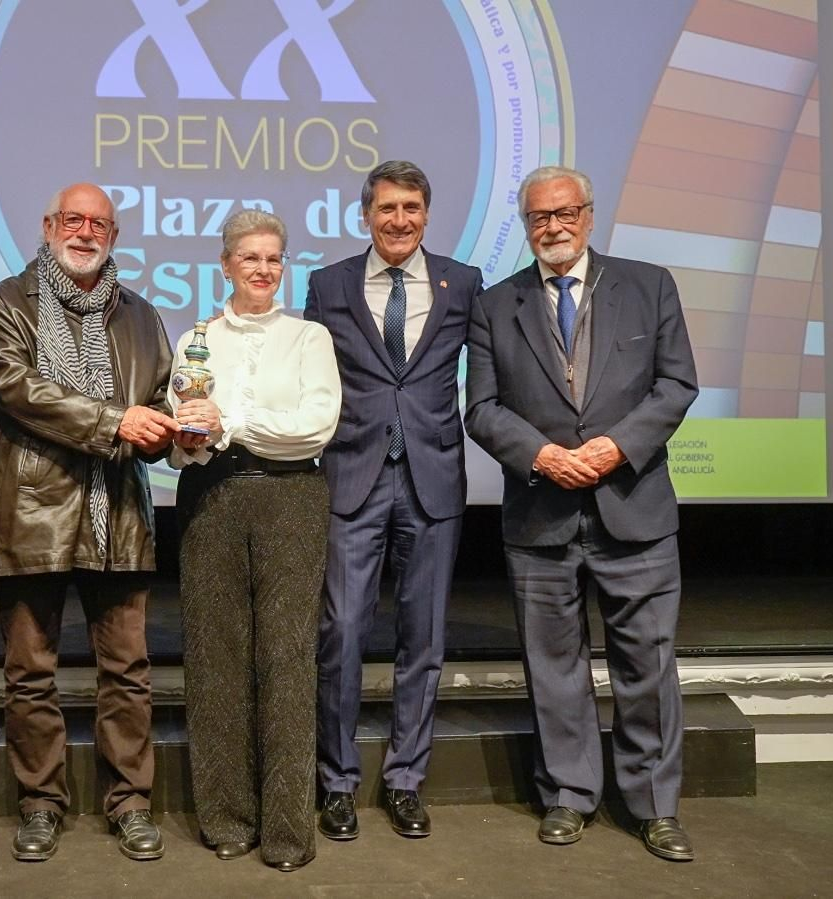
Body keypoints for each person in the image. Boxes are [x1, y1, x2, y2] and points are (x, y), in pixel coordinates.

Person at [464, 164, 699, 861]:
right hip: (540, 514)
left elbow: (676, 382)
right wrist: (542, 456)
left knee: (647, 665)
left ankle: (654, 805)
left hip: (636, 510)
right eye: (539, 217)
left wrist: (614, 448)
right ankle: (568, 794)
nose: (554, 227)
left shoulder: (649, 283)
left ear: (590, 215)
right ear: (527, 223)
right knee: (554, 666)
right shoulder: (494, 304)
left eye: (566, 213)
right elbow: (481, 408)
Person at [0, 182, 178, 862]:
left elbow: (159, 399)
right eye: (74, 219)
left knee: (127, 670)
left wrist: (174, 433)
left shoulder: (144, 316)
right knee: (30, 671)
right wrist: (117, 421)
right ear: (48, 224)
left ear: (114, 236)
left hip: (118, 510)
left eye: (100, 223)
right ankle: (40, 803)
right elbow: (18, 389)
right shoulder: (6, 304)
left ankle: (130, 801)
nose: (86, 231)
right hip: (33, 511)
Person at [304, 160, 484, 840]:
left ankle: (407, 778)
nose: (399, 219)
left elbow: (489, 375)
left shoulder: (462, 283)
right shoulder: (328, 284)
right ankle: (338, 781)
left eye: (411, 207)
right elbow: (312, 378)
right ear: (366, 214)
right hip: (352, 478)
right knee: (343, 633)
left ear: (427, 214)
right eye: (387, 208)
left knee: (424, 640)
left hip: (434, 481)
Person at [171, 210, 341, 872]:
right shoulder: (196, 337)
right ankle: (226, 817)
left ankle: (288, 829)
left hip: (290, 499)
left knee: (287, 659)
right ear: (226, 265)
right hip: (209, 497)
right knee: (215, 659)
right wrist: (188, 435)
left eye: (274, 258)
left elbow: (314, 426)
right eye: (250, 257)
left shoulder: (309, 338)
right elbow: (186, 430)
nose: (264, 268)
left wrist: (230, 423)